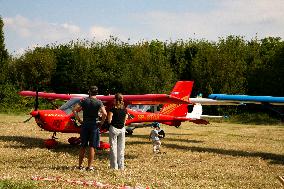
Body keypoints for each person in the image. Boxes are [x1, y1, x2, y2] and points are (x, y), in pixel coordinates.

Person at [72, 85, 107, 171]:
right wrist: (101, 122)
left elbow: (74, 110)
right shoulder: (99, 102)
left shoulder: (84, 101)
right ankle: (89, 167)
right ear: (97, 93)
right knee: (92, 146)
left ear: (89, 92)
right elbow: (105, 113)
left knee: (83, 146)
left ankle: (80, 166)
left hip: (85, 125)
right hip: (94, 125)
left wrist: (79, 120)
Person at [107, 93, 128, 170]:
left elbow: (109, 121)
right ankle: (121, 166)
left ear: (115, 99)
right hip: (122, 129)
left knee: (113, 148)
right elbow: (125, 120)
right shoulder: (125, 109)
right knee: (121, 148)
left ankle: (114, 167)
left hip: (114, 129)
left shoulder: (112, 109)